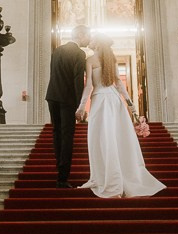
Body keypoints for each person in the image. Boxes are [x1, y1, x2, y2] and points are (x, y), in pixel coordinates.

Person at [76, 35, 165, 198]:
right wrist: (132, 106)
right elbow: (119, 84)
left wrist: (81, 107)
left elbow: (88, 86)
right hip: (115, 101)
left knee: (101, 139)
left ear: (96, 44)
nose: (90, 42)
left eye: (93, 40)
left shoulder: (90, 60)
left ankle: (106, 178)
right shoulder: (112, 59)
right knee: (117, 138)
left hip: (100, 101)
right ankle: (122, 176)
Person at [45, 25, 91, 188]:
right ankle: (63, 177)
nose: (89, 39)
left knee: (57, 133)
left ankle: (60, 168)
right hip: (67, 100)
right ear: (80, 35)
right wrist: (80, 106)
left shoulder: (57, 50)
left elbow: (53, 74)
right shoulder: (79, 53)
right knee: (67, 136)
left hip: (52, 96)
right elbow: (78, 80)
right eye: (88, 35)